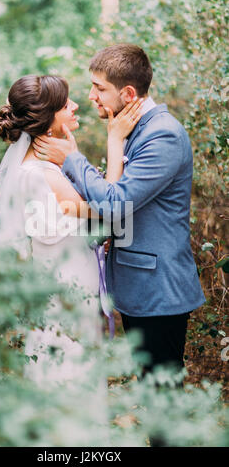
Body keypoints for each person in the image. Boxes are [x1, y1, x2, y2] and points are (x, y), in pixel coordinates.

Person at [32, 44, 206, 374]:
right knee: (150, 387)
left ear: (127, 93)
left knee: (162, 394)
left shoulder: (162, 135)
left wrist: (71, 158)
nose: (92, 96)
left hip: (159, 291)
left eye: (99, 88)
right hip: (136, 285)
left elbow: (115, 203)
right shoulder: (133, 130)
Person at [0, 74, 143, 385]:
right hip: (65, 308)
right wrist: (114, 140)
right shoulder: (41, 174)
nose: (76, 105)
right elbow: (111, 210)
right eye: (64, 103)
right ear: (46, 118)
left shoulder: (46, 168)